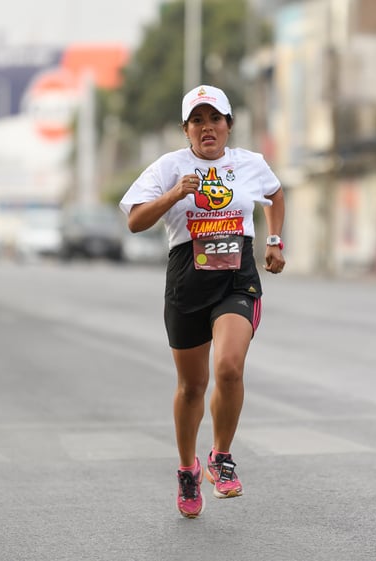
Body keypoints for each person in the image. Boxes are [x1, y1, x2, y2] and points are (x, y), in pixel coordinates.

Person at [119, 84, 286, 518]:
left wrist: (274, 240)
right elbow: (135, 220)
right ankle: (187, 469)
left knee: (229, 367)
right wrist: (174, 193)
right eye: (198, 121)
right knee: (192, 387)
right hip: (187, 282)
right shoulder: (169, 166)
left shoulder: (250, 164)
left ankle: (221, 457)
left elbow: (276, 193)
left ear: (229, 125)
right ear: (186, 129)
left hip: (236, 281)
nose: (207, 128)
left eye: (215, 119)